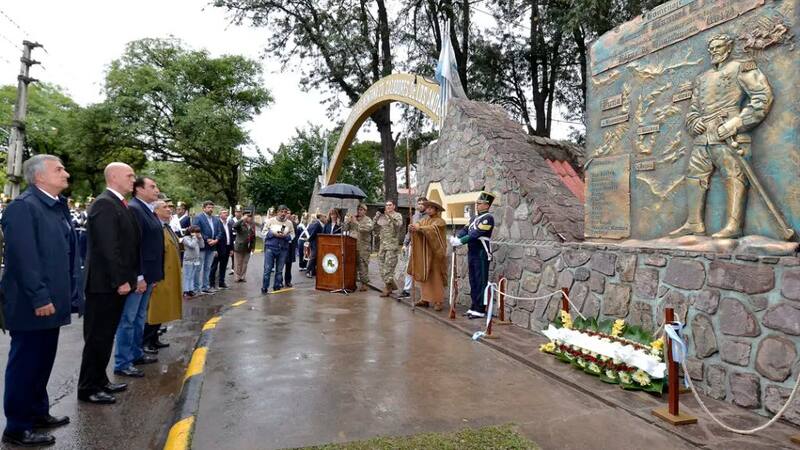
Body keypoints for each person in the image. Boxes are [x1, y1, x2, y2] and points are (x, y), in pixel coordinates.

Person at [1, 155, 81, 447]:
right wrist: (39, 296)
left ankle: (37, 412)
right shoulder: (24, 207)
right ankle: (17, 426)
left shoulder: (54, 207)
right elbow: (24, 260)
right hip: (32, 302)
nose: (66, 173)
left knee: (42, 361)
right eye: (59, 169)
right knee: (25, 363)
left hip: (52, 301)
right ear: (39, 177)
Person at [669, 33, 773, 239]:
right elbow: (693, 110)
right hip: (703, 138)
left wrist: (737, 123)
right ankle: (694, 223)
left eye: (718, 47)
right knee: (694, 175)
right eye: (711, 49)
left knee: (734, 175)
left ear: (728, 47)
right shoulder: (702, 78)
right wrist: (693, 121)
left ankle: (734, 226)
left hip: (729, 133)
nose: (713, 51)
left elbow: (763, 97)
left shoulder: (741, 68)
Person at [79, 162, 140, 405]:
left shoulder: (118, 203)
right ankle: (88, 388)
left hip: (111, 284)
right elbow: (108, 248)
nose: (132, 180)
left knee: (105, 337)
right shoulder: (105, 204)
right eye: (129, 175)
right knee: (97, 337)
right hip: (104, 285)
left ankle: (100, 380)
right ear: (113, 176)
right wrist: (121, 280)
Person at [114, 176, 164, 378]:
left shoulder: (147, 209)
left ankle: (135, 354)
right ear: (139, 190)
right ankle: (123, 361)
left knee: (139, 317)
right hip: (139, 275)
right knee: (128, 319)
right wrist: (140, 276)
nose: (156, 190)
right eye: (152, 186)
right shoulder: (135, 209)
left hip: (148, 274)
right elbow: (135, 246)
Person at [143, 200, 182, 353]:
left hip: (168, 274)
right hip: (159, 275)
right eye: (165, 207)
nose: (169, 209)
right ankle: (146, 341)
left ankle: (154, 339)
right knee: (154, 310)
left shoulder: (166, 226)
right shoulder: (155, 227)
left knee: (162, 309)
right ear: (155, 211)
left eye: (169, 207)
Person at [450, 192, 495, 319]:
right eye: (477, 203)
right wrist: (456, 237)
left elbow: (476, 233)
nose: (477, 205)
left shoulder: (488, 218)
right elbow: (465, 230)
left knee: (481, 280)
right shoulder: (474, 218)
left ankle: (480, 308)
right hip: (472, 251)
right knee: (473, 280)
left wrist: (461, 241)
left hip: (482, 252)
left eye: (479, 203)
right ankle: (474, 306)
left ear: (486, 205)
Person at [408, 200, 448, 311]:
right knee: (425, 274)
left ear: (436, 210)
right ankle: (425, 299)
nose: (428, 209)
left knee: (436, 276)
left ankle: (438, 301)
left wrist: (419, 228)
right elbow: (418, 224)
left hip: (436, 254)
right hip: (425, 253)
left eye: (431, 208)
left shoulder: (440, 221)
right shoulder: (424, 220)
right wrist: (413, 227)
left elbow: (433, 229)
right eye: (427, 208)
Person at [261, 205, 295, 293]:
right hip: (270, 248)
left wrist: (286, 236)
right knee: (267, 269)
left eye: (285, 212)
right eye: (281, 211)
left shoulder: (289, 223)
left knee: (279, 270)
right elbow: (263, 233)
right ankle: (265, 287)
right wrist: (273, 234)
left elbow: (292, 235)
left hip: (283, 249)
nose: (283, 214)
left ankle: (276, 287)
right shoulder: (270, 221)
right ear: (277, 212)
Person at [375, 200, 404, 297]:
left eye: (390, 205)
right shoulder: (382, 216)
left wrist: (389, 216)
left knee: (388, 267)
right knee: (381, 266)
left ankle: (387, 287)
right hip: (382, 245)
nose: (388, 207)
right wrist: (377, 215)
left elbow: (398, 225)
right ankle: (391, 285)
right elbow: (373, 225)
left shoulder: (397, 215)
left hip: (392, 246)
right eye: (386, 205)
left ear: (394, 206)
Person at [400, 197, 428, 298]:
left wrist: (418, 228)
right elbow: (409, 232)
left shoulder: (429, 217)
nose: (420, 205)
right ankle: (406, 290)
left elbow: (429, 231)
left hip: (424, 247)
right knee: (410, 267)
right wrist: (405, 244)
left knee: (423, 269)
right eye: (419, 203)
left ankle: (424, 295)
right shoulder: (415, 216)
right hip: (413, 245)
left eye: (422, 203)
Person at [343, 204, 374, 291]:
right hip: (352, 245)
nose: (359, 211)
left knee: (363, 265)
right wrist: (347, 222)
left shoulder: (368, 220)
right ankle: (352, 282)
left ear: (365, 211)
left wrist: (356, 222)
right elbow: (345, 229)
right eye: (358, 209)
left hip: (363, 247)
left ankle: (364, 284)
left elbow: (367, 229)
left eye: (361, 210)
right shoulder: (353, 218)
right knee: (352, 265)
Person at [194, 201, 222, 293]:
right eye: (209, 207)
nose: (211, 209)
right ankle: (196, 288)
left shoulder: (216, 219)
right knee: (199, 268)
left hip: (212, 246)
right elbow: (196, 230)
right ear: (204, 208)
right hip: (202, 246)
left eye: (212, 207)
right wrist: (207, 239)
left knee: (208, 267)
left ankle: (205, 287)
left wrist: (216, 240)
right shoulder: (198, 218)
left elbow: (220, 232)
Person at [209, 208, 233, 289]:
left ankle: (221, 282)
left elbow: (231, 237)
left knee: (223, 266)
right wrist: (214, 249)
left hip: (227, 247)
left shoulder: (229, 224)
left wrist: (231, 249)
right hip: (218, 248)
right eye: (223, 213)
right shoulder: (216, 223)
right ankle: (211, 284)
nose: (225, 214)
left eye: (226, 213)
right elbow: (214, 235)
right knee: (214, 267)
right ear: (220, 214)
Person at [232, 213, 256, 282]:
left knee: (245, 263)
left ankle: (242, 276)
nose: (249, 218)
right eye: (248, 216)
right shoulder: (240, 224)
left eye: (250, 217)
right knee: (238, 263)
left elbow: (253, 237)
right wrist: (241, 219)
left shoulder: (252, 225)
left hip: (248, 247)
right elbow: (234, 226)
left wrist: (253, 246)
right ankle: (237, 276)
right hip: (239, 246)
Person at [181, 226, 205, 296]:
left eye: (198, 232)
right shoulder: (185, 238)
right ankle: (186, 290)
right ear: (191, 232)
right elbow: (192, 245)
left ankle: (191, 289)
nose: (197, 233)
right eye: (196, 232)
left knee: (192, 275)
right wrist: (195, 237)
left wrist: (200, 238)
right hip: (188, 259)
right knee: (187, 275)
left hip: (196, 259)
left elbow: (202, 246)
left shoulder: (197, 238)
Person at [284, 211, 298, 287]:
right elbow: (281, 232)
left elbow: (295, 235)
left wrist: (295, 246)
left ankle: (288, 281)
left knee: (289, 266)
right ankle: (279, 281)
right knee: (280, 265)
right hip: (283, 246)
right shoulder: (283, 223)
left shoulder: (294, 224)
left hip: (291, 247)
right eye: (286, 213)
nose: (288, 214)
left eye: (289, 213)